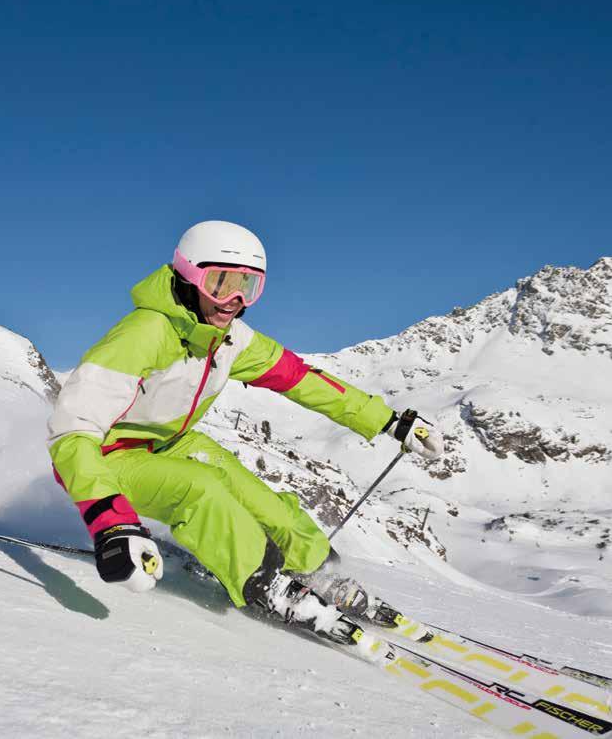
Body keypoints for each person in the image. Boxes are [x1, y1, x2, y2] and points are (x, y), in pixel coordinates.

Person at [47, 220, 443, 635]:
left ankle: (317, 570)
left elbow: (301, 379)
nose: (233, 300)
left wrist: (386, 421)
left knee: (254, 494)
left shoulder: (232, 339)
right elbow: (71, 431)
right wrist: (112, 523)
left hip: (170, 444)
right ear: (187, 275)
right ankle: (264, 583)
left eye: (248, 287)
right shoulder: (144, 334)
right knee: (201, 489)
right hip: (106, 455)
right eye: (220, 284)